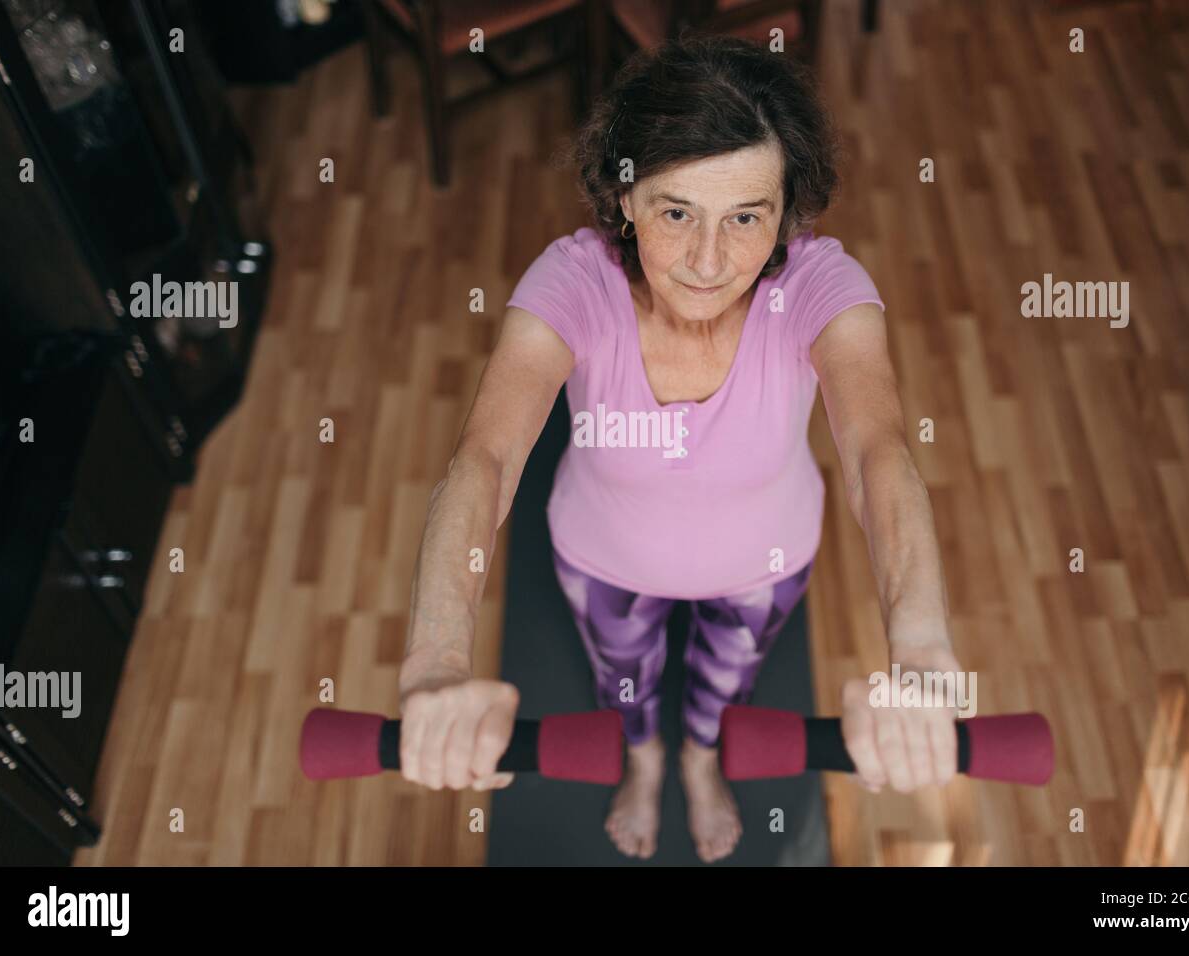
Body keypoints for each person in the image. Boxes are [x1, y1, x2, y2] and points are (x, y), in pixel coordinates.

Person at [397, 34, 962, 863]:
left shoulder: (819, 285)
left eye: (745, 217)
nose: (707, 262)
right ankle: (648, 763)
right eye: (675, 213)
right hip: (603, 561)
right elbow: (483, 461)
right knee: (623, 687)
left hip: (765, 568)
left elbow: (880, 451)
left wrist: (918, 646)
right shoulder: (573, 281)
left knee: (722, 693)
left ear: (786, 213)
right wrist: (437, 660)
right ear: (624, 200)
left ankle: (698, 763)